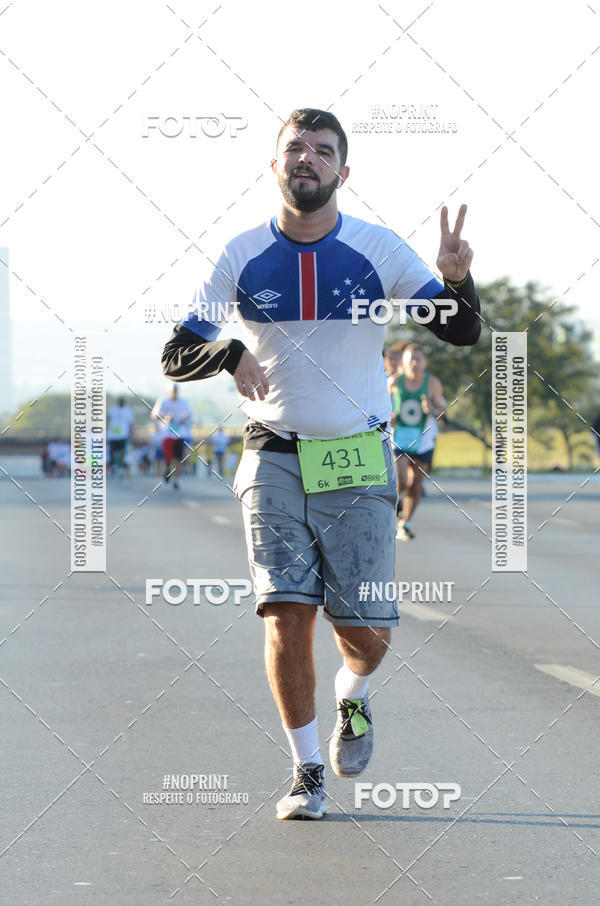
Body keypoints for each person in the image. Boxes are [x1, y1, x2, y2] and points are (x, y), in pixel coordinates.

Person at [161, 108, 481, 820]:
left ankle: (354, 697)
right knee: (285, 614)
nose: (307, 158)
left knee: (363, 631)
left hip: (359, 458)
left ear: (343, 171)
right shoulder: (241, 254)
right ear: (275, 165)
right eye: (294, 148)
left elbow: (460, 331)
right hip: (271, 454)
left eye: (322, 150)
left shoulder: (377, 249)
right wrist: (228, 351)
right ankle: (307, 772)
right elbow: (177, 352)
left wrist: (457, 281)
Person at [390, 343, 444, 540]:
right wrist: (390, 417)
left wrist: (432, 410)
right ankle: (397, 506)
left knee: (416, 483)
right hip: (400, 437)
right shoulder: (394, 382)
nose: (414, 363)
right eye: (410, 359)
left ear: (424, 362)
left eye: (418, 359)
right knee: (402, 479)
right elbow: (381, 409)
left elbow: (442, 412)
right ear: (403, 362)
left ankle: (406, 522)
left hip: (423, 438)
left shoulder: (432, 383)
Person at [151, 383, 193, 490]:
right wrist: (165, 417)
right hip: (167, 434)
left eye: (176, 390)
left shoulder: (184, 402)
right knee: (168, 457)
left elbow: (189, 414)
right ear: (169, 391)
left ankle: (176, 480)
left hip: (179, 434)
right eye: (172, 391)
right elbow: (154, 415)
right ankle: (168, 470)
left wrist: (184, 418)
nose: (174, 393)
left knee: (178, 458)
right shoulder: (163, 401)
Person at [107, 397, 134, 475]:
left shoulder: (128, 410)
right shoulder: (112, 408)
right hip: (112, 434)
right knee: (112, 451)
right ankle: (113, 465)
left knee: (122, 451)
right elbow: (107, 418)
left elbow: (131, 422)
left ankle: (121, 466)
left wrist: (131, 433)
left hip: (123, 434)